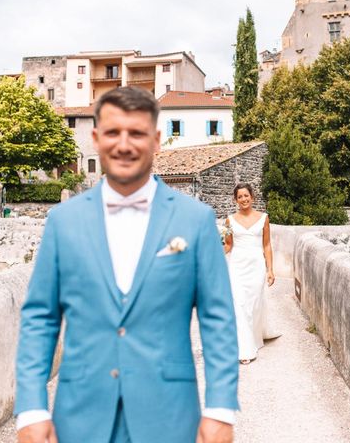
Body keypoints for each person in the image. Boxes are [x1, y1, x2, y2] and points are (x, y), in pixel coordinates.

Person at [14, 86, 239, 443]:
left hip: (170, 414)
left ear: (156, 140)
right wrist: (31, 409)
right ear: (96, 138)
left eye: (136, 133)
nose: (124, 144)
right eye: (113, 132)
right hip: (80, 416)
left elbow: (218, 318)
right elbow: (40, 318)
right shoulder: (62, 221)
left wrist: (221, 409)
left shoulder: (196, 220)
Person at [223, 183, 280, 365]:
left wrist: (270, 269)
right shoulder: (229, 220)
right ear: (236, 200)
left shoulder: (264, 218)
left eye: (246, 195)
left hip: (256, 267)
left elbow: (267, 245)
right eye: (240, 197)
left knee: (253, 304)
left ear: (252, 197)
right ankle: (245, 349)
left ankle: (255, 337)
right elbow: (228, 245)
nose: (244, 199)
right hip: (236, 266)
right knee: (239, 304)